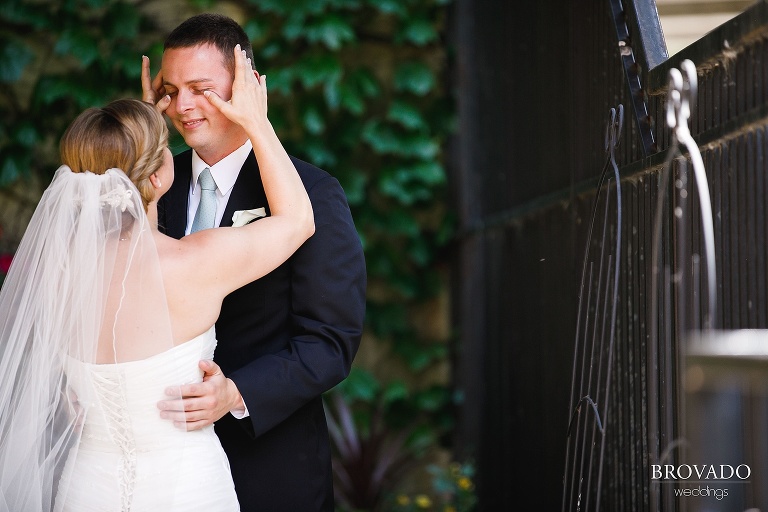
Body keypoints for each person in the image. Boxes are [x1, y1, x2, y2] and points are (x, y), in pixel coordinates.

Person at [0, 46, 313, 511]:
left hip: (86, 488)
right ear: (160, 174)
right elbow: (298, 221)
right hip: (184, 489)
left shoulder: (54, 275)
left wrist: (135, 133)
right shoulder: (196, 264)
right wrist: (258, 123)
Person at [141, 13, 366, 511]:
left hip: (268, 467)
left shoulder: (311, 194)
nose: (183, 106)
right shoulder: (148, 186)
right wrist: (141, 139)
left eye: (201, 88)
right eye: (171, 89)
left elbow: (331, 341)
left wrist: (236, 393)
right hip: (159, 463)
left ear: (248, 86)